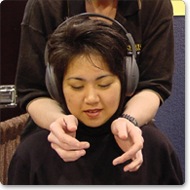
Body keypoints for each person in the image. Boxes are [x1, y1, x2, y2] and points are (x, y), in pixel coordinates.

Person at [8, 18, 183, 185]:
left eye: (104, 84)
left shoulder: (154, 147)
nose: (91, 99)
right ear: (57, 87)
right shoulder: (32, 154)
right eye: (77, 86)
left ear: (126, 83)